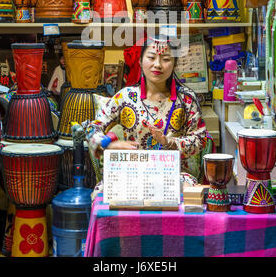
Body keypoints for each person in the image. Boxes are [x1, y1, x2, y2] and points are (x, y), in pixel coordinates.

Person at [84, 36, 212, 198]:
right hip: (132, 172)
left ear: (174, 64)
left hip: (174, 173)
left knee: (189, 193)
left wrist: (168, 142)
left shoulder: (186, 99)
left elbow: (200, 139)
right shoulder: (125, 97)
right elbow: (91, 128)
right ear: (140, 61)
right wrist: (108, 144)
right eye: (151, 57)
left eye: (165, 59)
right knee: (100, 193)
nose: (157, 65)